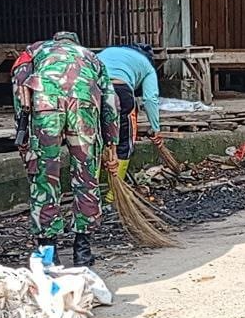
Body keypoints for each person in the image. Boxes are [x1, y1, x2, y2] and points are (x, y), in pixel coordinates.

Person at [11, 31, 120, 268]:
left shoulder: (36, 49)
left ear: (55, 41)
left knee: (44, 174)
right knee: (86, 174)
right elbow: (111, 101)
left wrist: (21, 126)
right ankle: (83, 250)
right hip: (84, 106)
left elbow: (19, 82)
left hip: (45, 106)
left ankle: (48, 250)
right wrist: (111, 139)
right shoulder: (91, 57)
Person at [97, 43, 161, 199]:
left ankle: (90, 195)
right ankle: (114, 195)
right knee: (125, 142)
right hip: (121, 90)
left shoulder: (105, 52)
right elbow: (150, 99)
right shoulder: (147, 66)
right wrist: (155, 128)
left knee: (94, 142)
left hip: (95, 91)